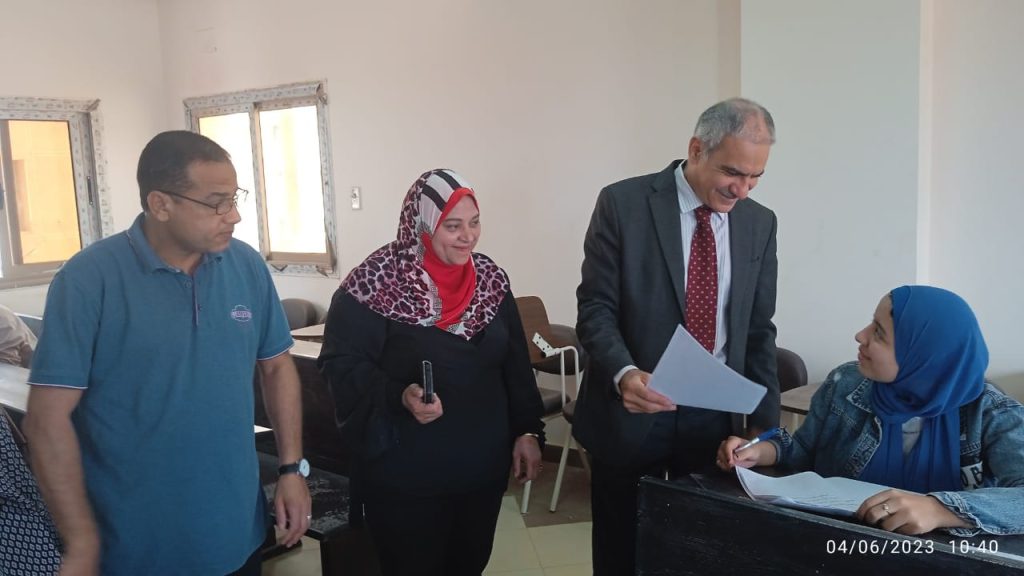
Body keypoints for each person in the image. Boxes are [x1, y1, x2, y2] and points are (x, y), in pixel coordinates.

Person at [22, 131, 311, 576]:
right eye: (216, 203)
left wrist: (292, 469)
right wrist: (80, 539)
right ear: (160, 204)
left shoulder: (245, 265)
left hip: (235, 529)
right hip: (133, 542)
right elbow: (46, 419)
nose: (233, 216)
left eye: (235, 199)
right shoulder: (88, 280)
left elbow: (276, 368)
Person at [574, 97, 781, 575]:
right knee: (621, 551)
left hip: (714, 420)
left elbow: (759, 330)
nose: (742, 189)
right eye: (732, 172)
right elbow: (596, 308)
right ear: (696, 149)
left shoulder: (759, 223)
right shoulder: (624, 204)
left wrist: (762, 429)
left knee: (700, 551)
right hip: (633, 410)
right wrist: (624, 373)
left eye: (756, 177)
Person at [318, 168, 545, 576]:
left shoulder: (491, 281)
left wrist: (528, 430)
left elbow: (514, 364)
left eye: (474, 223)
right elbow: (340, 365)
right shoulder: (376, 284)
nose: (468, 237)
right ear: (421, 224)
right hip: (407, 477)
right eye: (452, 226)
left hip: (480, 471)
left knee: (469, 563)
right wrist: (397, 394)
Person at [718, 285, 1024, 536]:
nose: (860, 336)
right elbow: (804, 449)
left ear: (921, 356)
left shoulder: (990, 413)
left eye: (878, 333)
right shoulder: (845, 384)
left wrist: (940, 509)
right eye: (871, 323)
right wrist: (762, 451)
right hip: (838, 545)